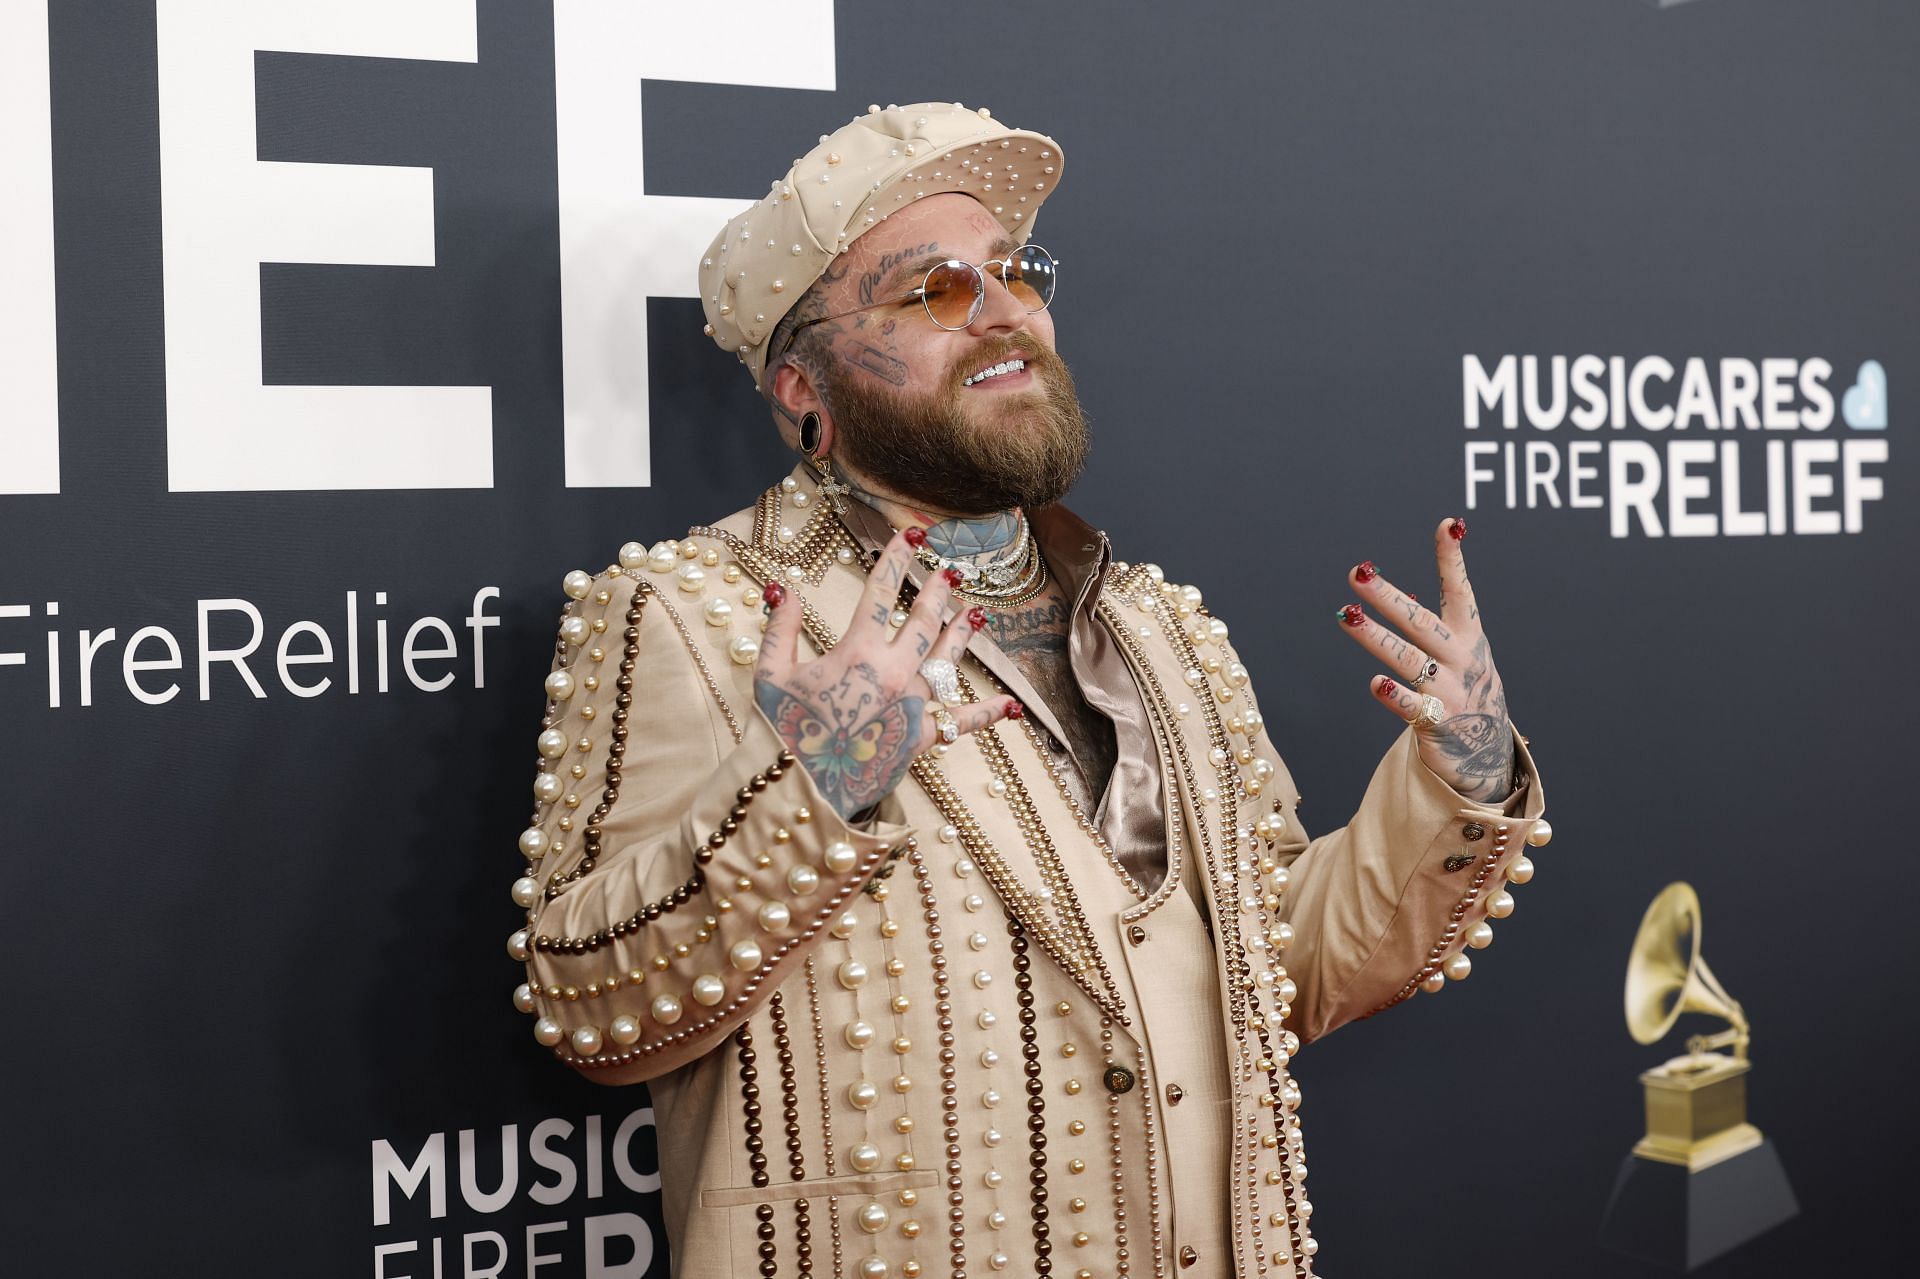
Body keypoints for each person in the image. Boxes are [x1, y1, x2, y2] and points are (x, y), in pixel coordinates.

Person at [505, 101, 1550, 1279]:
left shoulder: (1158, 624)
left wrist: (1460, 780)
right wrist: (819, 795)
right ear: (805, 388)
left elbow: (1284, 974)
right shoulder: (695, 613)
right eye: (932, 291)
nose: (1002, 311)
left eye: (1015, 272)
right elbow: (587, 1005)